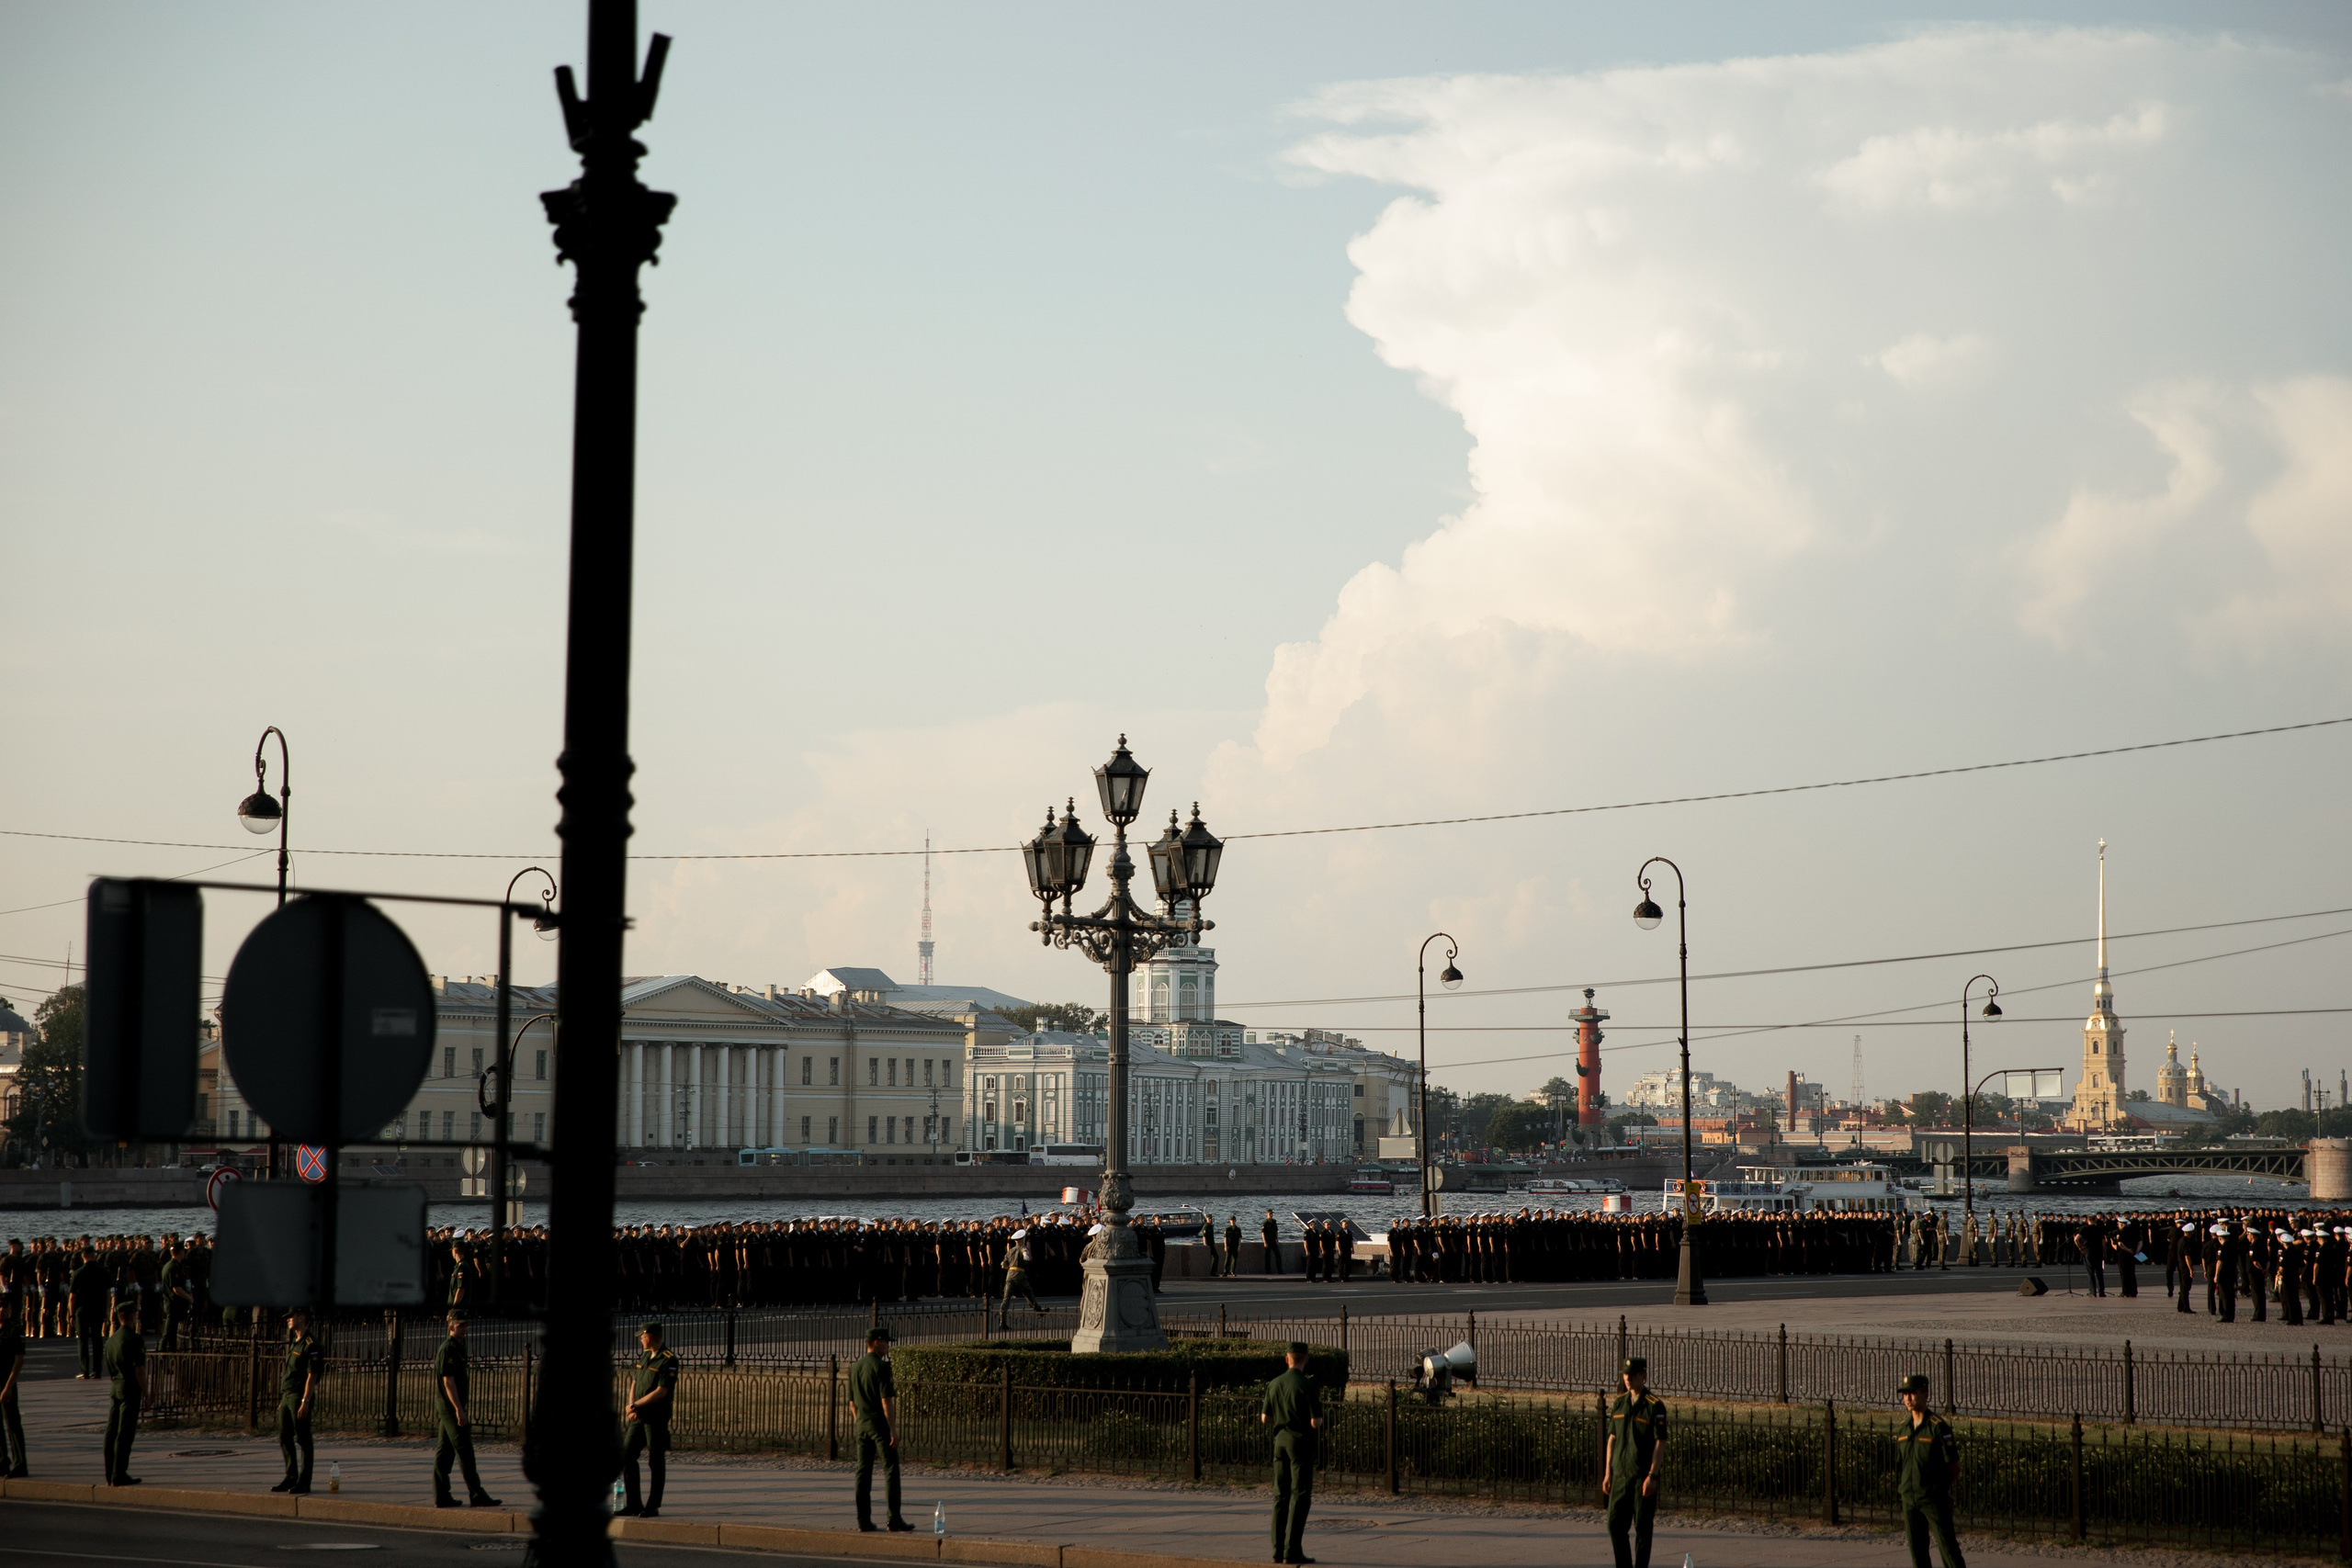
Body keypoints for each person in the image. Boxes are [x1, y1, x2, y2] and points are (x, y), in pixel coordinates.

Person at [1602, 1356, 1667, 1568]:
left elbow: (1660, 1442)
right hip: (1620, 1476)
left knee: (1642, 1529)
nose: (1628, 1378)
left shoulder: (1654, 1406)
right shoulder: (1619, 1403)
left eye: (1633, 1375)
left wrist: (1652, 1475)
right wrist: (1608, 1473)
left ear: (1643, 1376)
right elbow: (1612, 1439)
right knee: (1614, 1524)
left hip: (1641, 1477)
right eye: (1625, 1375)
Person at [431, 1313, 500, 1507]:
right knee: (465, 1450)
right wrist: (459, 1410)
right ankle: (477, 1494)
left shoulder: (458, 1347)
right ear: (451, 1327)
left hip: (451, 1407)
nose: (464, 1329)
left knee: (445, 1452)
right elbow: (448, 1382)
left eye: (465, 1325)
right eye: (460, 1325)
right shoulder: (448, 1349)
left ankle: (442, 1495)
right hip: (450, 1408)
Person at [848, 1325, 912, 1533]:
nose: (888, 1346)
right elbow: (886, 1401)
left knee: (863, 1471)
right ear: (877, 1342)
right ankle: (894, 1519)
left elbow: (852, 1403)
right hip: (879, 1425)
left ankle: (863, 1520)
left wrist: (859, 1421)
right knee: (891, 1469)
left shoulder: (855, 1368)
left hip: (862, 1425)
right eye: (886, 1342)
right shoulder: (881, 1367)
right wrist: (892, 1428)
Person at [1895, 1373, 1963, 1567]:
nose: (1908, 1398)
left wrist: (1942, 1489)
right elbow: (1900, 1464)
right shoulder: (1903, 1429)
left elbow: (1954, 1465)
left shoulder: (1938, 1427)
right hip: (1909, 1499)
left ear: (1925, 1394)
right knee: (1918, 1555)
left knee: (1949, 1551)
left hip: (1933, 1498)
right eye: (1905, 1394)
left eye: (1912, 1393)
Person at [1261, 1341, 1320, 1566]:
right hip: (1300, 1443)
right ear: (1306, 1360)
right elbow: (1316, 1422)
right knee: (1300, 1496)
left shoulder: (1274, 1384)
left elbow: (1265, 1418)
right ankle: (1292, 1550)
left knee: (1280, 1495)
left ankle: (1277, 1550)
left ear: (1287, 1359)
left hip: (1280, 1442)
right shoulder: (1308, 1385)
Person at [619, 1320, 677, 1517]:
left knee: (655, 1459)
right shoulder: (645, 1355)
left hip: (655, 1417)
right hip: (639, 1416)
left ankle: (653, 1505)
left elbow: (661, 1391)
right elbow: (635, 1382)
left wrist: (636, 1405)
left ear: (649, 1337)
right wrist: (631, 1406)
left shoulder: (668, 1359)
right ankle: (634, 1504)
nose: (640, 1340)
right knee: (627, 1455)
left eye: (642, 1337)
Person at [272, 1305, 319, 1494]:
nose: (288, 1320)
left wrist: (305, 1401)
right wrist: (282, 1400)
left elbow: (312, 1375)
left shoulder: (310, 1343)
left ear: (302, 1318)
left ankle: (304, 1481)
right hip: (287, 1395)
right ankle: (291, 1476)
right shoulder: (295, 1341)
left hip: (299, 1396)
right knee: (284, 1436)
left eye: (291, 1316)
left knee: (303, 1438)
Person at [102, 1291, 144, 1486]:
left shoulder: (111, 1340)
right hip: (130, 1388)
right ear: (131, 1316)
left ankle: (109, 1471)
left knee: (111, 1431)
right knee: (125, 1433)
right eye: (136, 1314)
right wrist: (147, 1392)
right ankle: (119, 1473)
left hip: (116, 1386)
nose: (137, 1317)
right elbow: (139, 1370)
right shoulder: (134, 1339)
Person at [999, 1229, 1046, 1328]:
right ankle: (1039, 1310)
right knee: (1029, 1294)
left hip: (1010, 1275)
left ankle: (1002, 1321)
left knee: (1006, 1298)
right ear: (1022, 1239)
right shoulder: (1023, 1247)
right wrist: (1026, 1256)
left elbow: (1004, 1266)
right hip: (1020, 1275)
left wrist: (1011, 1267)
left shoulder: (1010, 1251)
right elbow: (1025, 1252)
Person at [1, 1298, 26, 1478]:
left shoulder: (15, 1330)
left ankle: (20, 1464)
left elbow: (19, 1360)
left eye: (4, 1306)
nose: (1, 1310)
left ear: (10, 1309)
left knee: (12, 1423)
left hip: (6, 1382)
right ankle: (2, 1461)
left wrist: (9, 1386)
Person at [1261, 1211, 1282, 1276]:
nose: (1271, 1215)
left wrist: (1277, 1240)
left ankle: (1280, 1270)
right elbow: (1263, 1233)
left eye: (1271, 1214)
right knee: (1268, 1256)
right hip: (1268, 1241)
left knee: (1278, 1255)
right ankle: (1268, 1271)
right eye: (1269, 1214)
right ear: (1267, 1214)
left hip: (1274, 1241)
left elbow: (1276, 1231)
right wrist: (1265, 1242)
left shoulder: (1274, 1221)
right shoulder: (1265, 1222)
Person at [1224, 1214, 1243, 1278]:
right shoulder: (1227, 1229)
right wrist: (1225, 1246)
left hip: (1235, 1246)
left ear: (1235, 1221)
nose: (1232, 1221)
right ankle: (1225, 1272)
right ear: (1230, 1221)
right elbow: (1225, 1238)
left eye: (1233, 1220)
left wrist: (1239, 1246)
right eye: (1231, 1220)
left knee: (1234, 1260)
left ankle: (1232, 1271)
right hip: (1229, 1246)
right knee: (1227, 1259)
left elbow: (1240, 1238)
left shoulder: (1238, 1229)